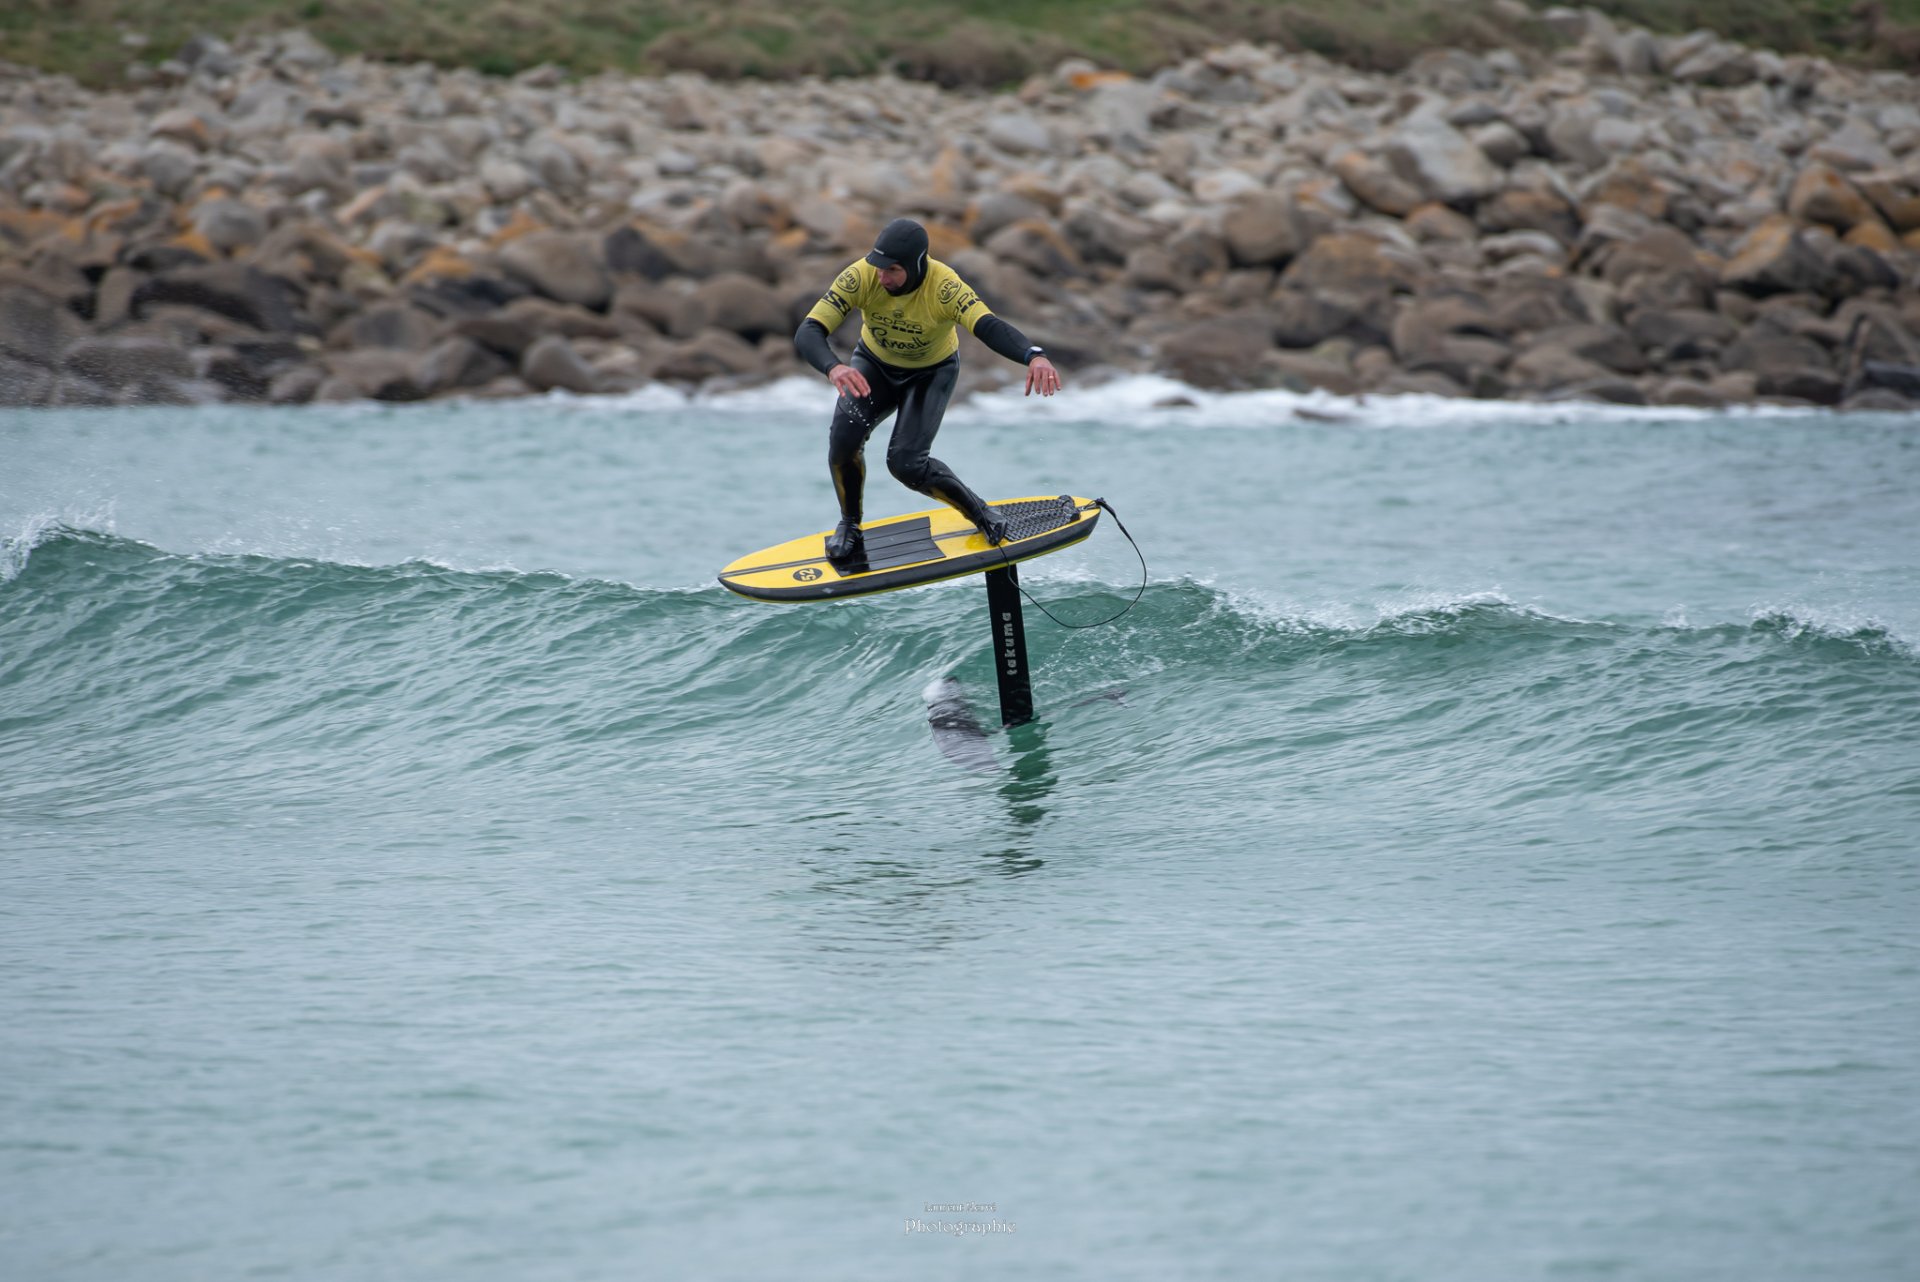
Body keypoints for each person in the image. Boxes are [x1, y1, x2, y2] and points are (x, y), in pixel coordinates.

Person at [793, 217, 1062, 563]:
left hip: (930, 373)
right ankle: (850, 524)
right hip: (873, 367)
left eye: (892, 270)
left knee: (905, 464)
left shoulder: (944, 287)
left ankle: (979, 512)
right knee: (842, 443)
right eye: (878, 268)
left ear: (916, 265)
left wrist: (1033, 356)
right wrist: (834, 367)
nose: (882, 277)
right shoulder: (860, 275)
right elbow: (809, 329)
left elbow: (988, 325)